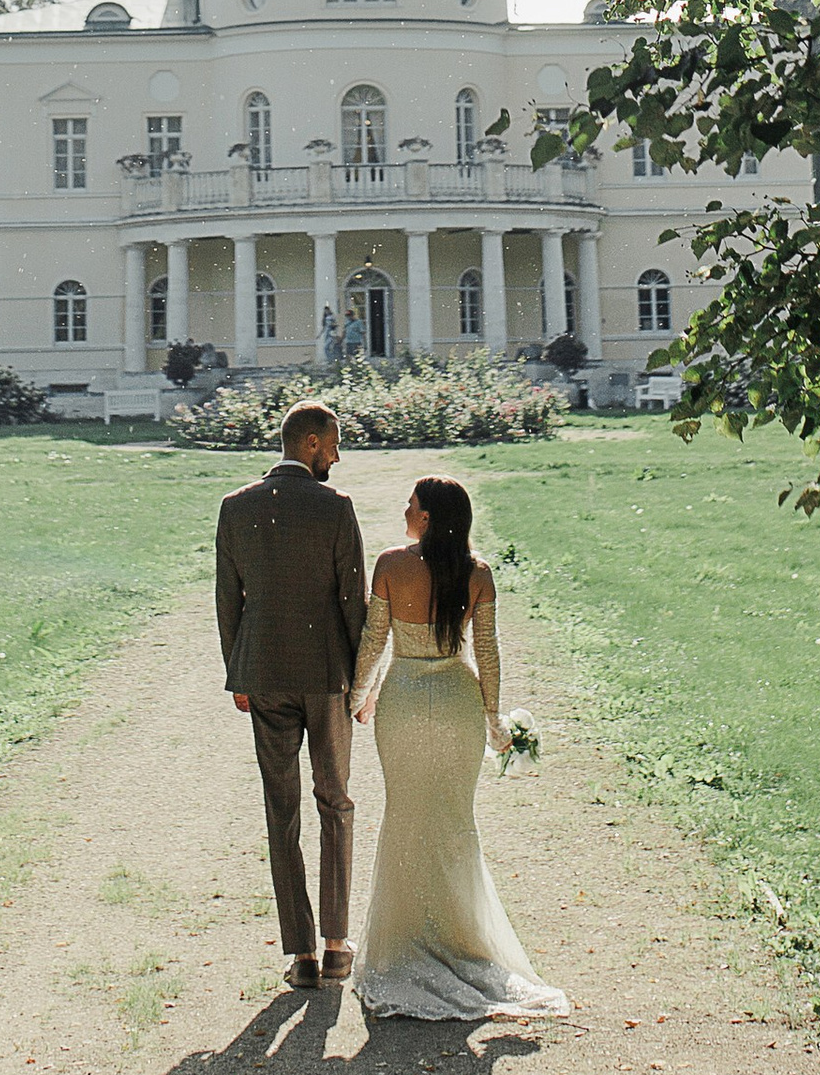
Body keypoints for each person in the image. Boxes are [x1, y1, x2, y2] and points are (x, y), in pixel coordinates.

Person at [347, 474, 569, 1021]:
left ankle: (400, 946)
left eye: (411, 503)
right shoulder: (478, 574)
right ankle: (462, 939)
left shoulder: (391, 565)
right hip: (455, 701)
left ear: (425, 518)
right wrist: (492, 717)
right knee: (452, 822)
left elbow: (375, 641)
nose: (405, 508)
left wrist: (358, 695)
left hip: (401, 698)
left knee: (404, 814)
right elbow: (488, 653)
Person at [214, 402, 368, 988]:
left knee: (281, 810)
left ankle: (299, 953)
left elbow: (228, 598)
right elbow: (352, 601)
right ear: (308, 443)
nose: (336, 455)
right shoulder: (336, 508)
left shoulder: (235, 507)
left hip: (264, 675)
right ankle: (335, 942)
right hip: (327, 675)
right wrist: (362, 680)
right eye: (331, 444)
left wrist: (239, 671)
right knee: (336, 801)